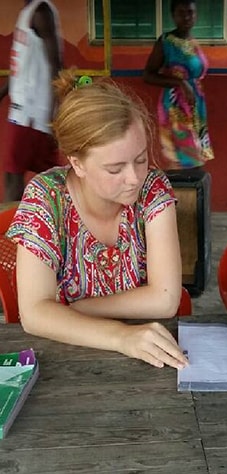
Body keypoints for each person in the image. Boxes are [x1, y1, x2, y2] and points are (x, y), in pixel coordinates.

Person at [6, 70, 189, 370]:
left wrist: (78, 308)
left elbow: (166, 299)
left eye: (141, 159)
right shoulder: (47, 198)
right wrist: (121, 337)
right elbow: (35, 312)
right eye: (115, 169)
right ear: (77, 163)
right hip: (67, 357)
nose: (134, 178)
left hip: (145, 352)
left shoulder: (152, 188)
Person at [0, 0, 63, 202]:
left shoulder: (40, 11)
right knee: (51, 179)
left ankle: (14, 231)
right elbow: (21, 65)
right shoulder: (27, 12)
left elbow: (56, 65)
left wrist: (56, 111)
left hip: (31, 114)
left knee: (14, 177)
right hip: (26, 111)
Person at [143, 0, 214, 170]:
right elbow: (148, 75)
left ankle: (193, 196)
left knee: (196, 159)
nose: (186, 17)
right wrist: (180, 83)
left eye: (190, 12)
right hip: (176, 109)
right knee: (181, 161)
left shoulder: (193, 42)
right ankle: (177, 196)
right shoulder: (166, 42)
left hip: (195, 107)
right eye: (181, 13)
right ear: (173, 16)